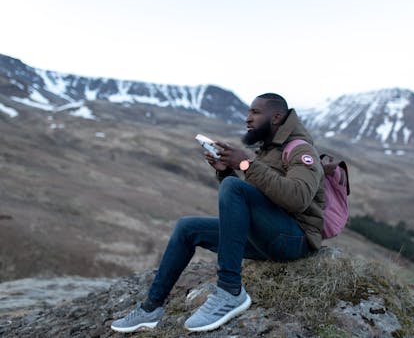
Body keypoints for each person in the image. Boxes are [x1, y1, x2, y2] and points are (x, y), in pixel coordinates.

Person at [110, 93, 325, 333]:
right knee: (187, 227)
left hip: (294, 241)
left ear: (276, 117)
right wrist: (225, 172)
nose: (248, 119)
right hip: (268, 236)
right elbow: (258, 199)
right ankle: (151, 308)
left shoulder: (300, 149)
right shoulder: (268, 149)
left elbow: (298, 198)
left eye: (254, 112)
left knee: (234, 187)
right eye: (248, 112)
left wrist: (245, 165)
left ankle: (230, 290)